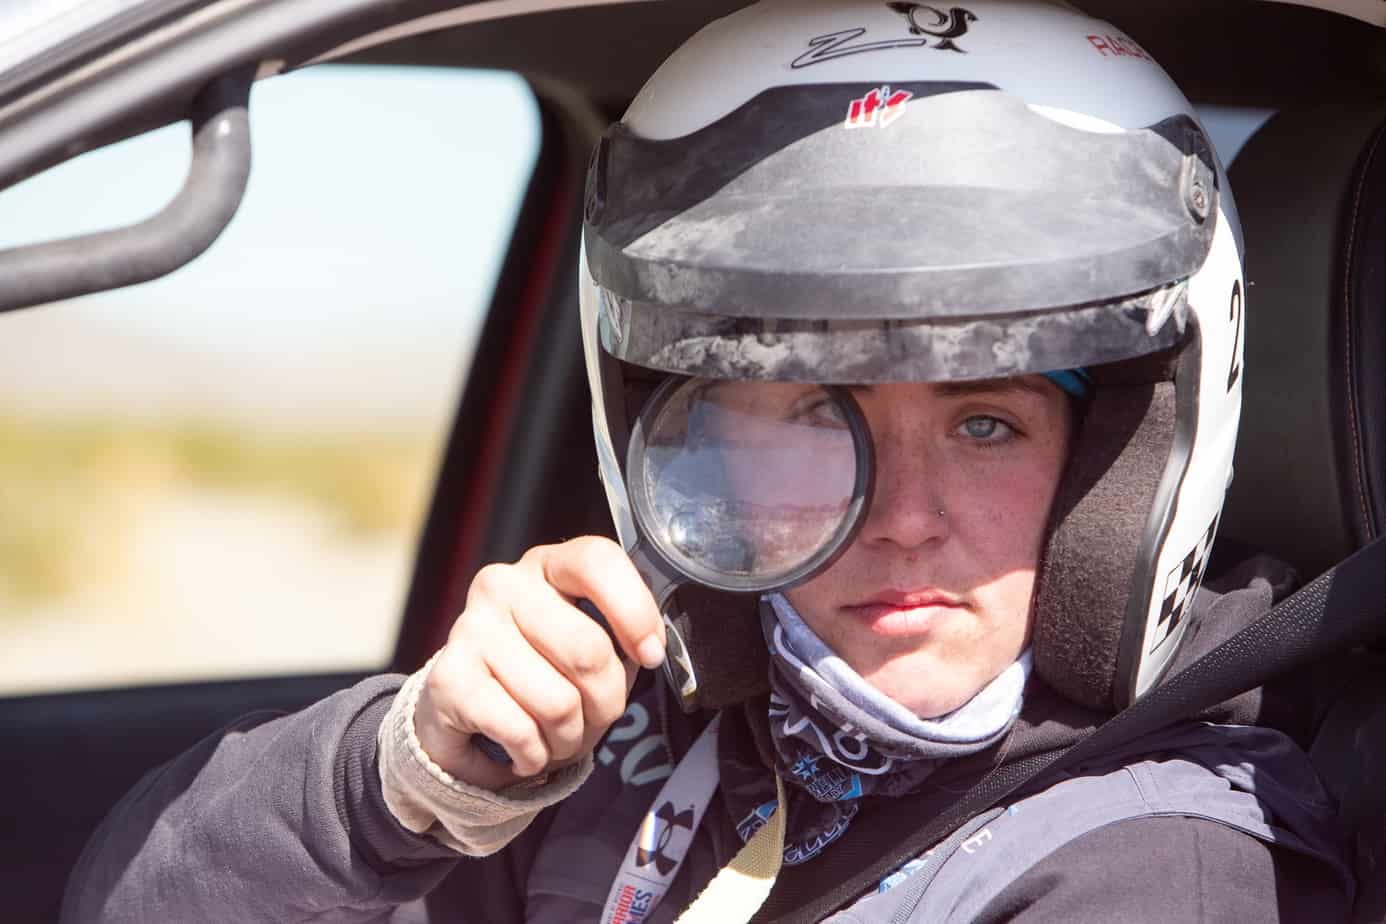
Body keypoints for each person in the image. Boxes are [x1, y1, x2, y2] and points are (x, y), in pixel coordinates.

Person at [63, 0, 1355, 921]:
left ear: (1117, 470)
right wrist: (399, 775)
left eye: (983, 425)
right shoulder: (627, 744)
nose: (904, 520)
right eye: (805, 418)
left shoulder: (1150, 856)